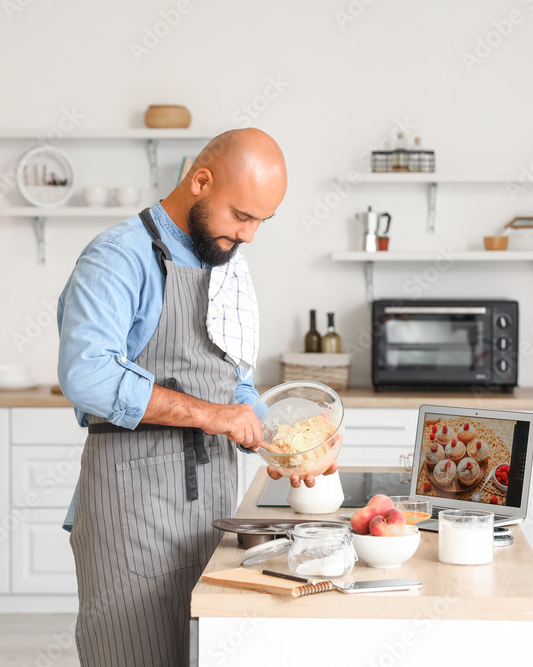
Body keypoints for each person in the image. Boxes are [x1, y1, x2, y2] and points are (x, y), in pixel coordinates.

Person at [56, 128, 336, 667]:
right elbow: (86, 374)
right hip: (132, 515)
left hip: (208, 513)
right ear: (200, 181)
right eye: (242, 215)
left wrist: (288, 444)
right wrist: (215, 417)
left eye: (261, 222)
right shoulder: (118, 257)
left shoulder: (224, 265)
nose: (250, 234)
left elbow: (234, 389)